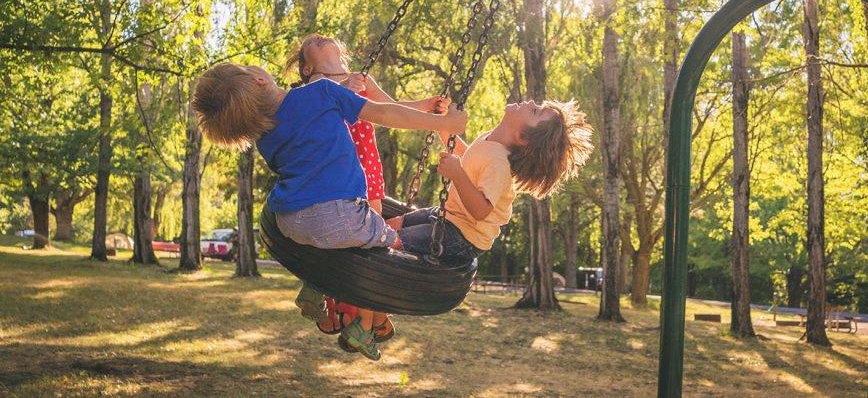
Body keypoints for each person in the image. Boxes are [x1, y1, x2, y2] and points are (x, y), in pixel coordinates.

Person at [190, 62, 466, 360]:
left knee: (331, 244)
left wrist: (343, 91)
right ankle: (364, 325)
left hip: (289, 221)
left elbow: (306, 121)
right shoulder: (322, 92)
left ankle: (315, 286)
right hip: (339, 212)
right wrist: (442, 124)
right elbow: (384, 113)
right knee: (395, 249)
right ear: (259, 80)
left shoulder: (265, 136)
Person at [284, 34, 448, 346]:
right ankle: (326, 296)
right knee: (335, 236)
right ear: (306, 69)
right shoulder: (312, 93)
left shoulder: (360, 81)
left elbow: (390, 109)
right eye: (315, 49)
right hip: (334, 176)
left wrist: (426, 108)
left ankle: (361, 317)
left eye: (333, 53)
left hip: (367, 175)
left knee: (366, 246)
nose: (319, 39)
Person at [388, 99, 593, 265]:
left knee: (389, 240)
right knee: (390, 226)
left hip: (463, 236)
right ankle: (377, 317)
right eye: (537, 106)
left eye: (535, 112)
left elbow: (481, 210)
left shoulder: (499, 164)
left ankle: (373, 311)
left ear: (522, 137)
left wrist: (457, 173)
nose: (531, 102)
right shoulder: (492, 141)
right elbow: (469, 157)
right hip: (450, 216)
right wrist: (443, 125)